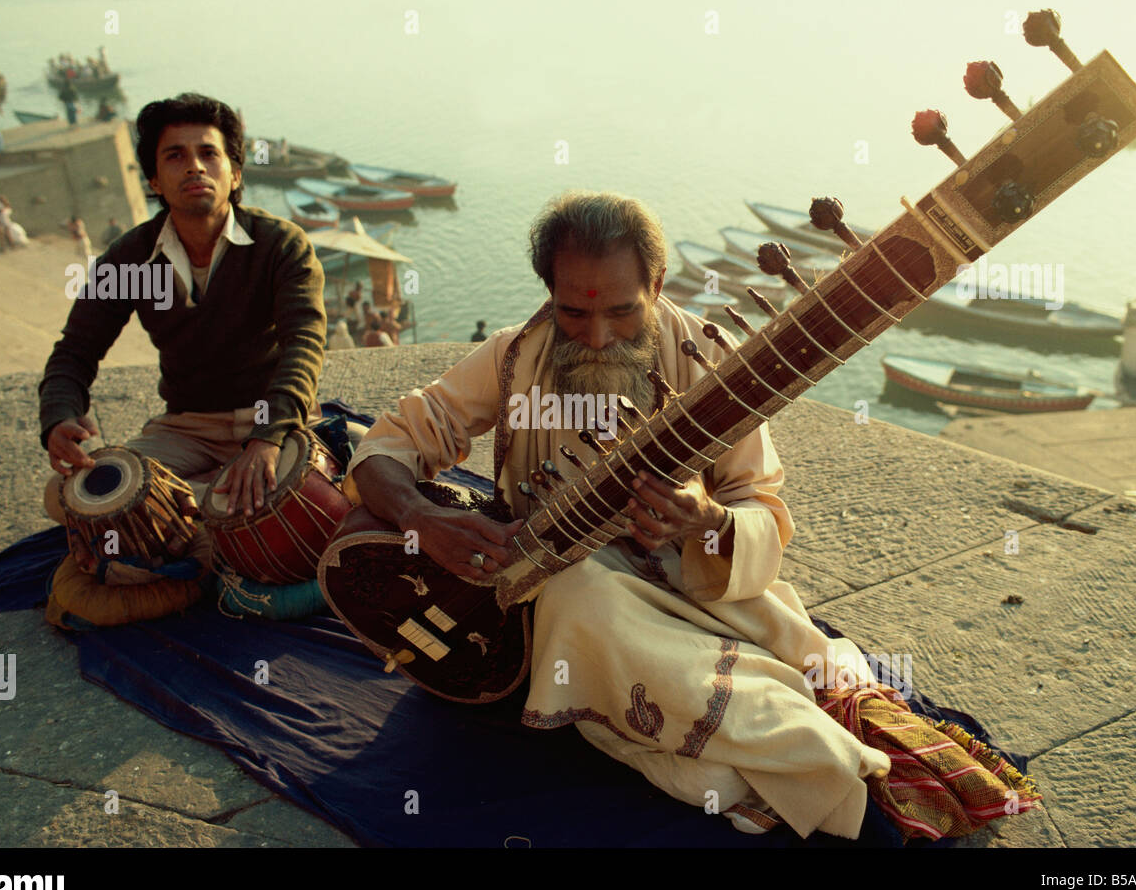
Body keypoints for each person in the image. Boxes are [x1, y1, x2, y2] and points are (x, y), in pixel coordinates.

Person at [345, 190, 1038, 840]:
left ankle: (812, 757)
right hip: (554, 603)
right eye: (574, 313)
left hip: (689, 596)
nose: (596, 337)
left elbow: (763, 512)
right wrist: (416, 515)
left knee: (667, 705)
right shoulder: (514, 356)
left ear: (658, 283)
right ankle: (806, 758)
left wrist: (705, 520)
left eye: (622, 311)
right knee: (582, 595)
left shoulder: (713, 368)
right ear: (550, 296)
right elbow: (392, 440)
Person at [39, 92, 327, 534]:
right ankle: (215, 499)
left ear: (234, 174)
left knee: (326, 491)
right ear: (154, 181)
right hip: (185, 429)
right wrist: (59, 415)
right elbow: (76, 350)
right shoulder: (131, 260)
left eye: (209, 153)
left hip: (272, 418)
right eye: (175, 156)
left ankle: (186, 505)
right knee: (67, 496)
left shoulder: (280, 246)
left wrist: (266, 437)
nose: (194, 166)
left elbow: (304, 344)